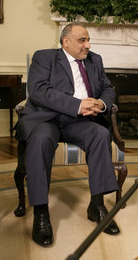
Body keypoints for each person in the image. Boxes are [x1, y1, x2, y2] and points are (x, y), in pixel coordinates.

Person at [17, 22, 120, 247]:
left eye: (88, 40)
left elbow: (108, 88)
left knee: (101, 135)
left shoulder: (95, 60)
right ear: (66, 41)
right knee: (41, 140)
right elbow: (38, 90)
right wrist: (77, 105)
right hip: (48, 118)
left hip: (80, 121)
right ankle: (41, 213)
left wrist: (100, 104)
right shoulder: (44, 57)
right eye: (82, 40)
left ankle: (97, 205)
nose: (88, 45)